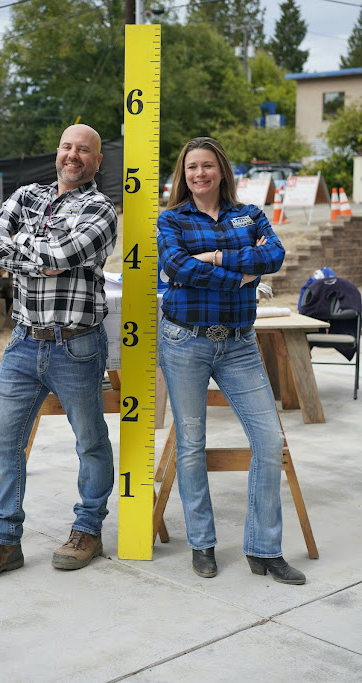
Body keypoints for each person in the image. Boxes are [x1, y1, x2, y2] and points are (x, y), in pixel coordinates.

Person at [0, 124, 117, 583]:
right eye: (67, 147)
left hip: (77, 346)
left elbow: (64, 254)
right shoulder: (27, 195)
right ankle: (3, 541)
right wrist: (41, 256)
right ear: (58, 152)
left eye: (83, 150)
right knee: (4, 443)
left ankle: (87, 531)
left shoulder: (101, 209)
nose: (73, 155)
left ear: (97, 161)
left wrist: (23, 245)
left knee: (89, 441)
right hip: (23, 343)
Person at [157, 136, 306, 585]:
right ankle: (202, 543)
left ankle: (265, 549)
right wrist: (242, 275)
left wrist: (215, 256)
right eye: (191, 167)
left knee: (269, 442)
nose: (199, 174)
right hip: (186, 341)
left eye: (207, 165)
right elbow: (177, 267)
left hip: (239, 345)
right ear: (183, 175)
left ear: (222, 170)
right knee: (191, 445)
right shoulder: (172, 219)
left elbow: (274, 256)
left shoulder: (250, 214)